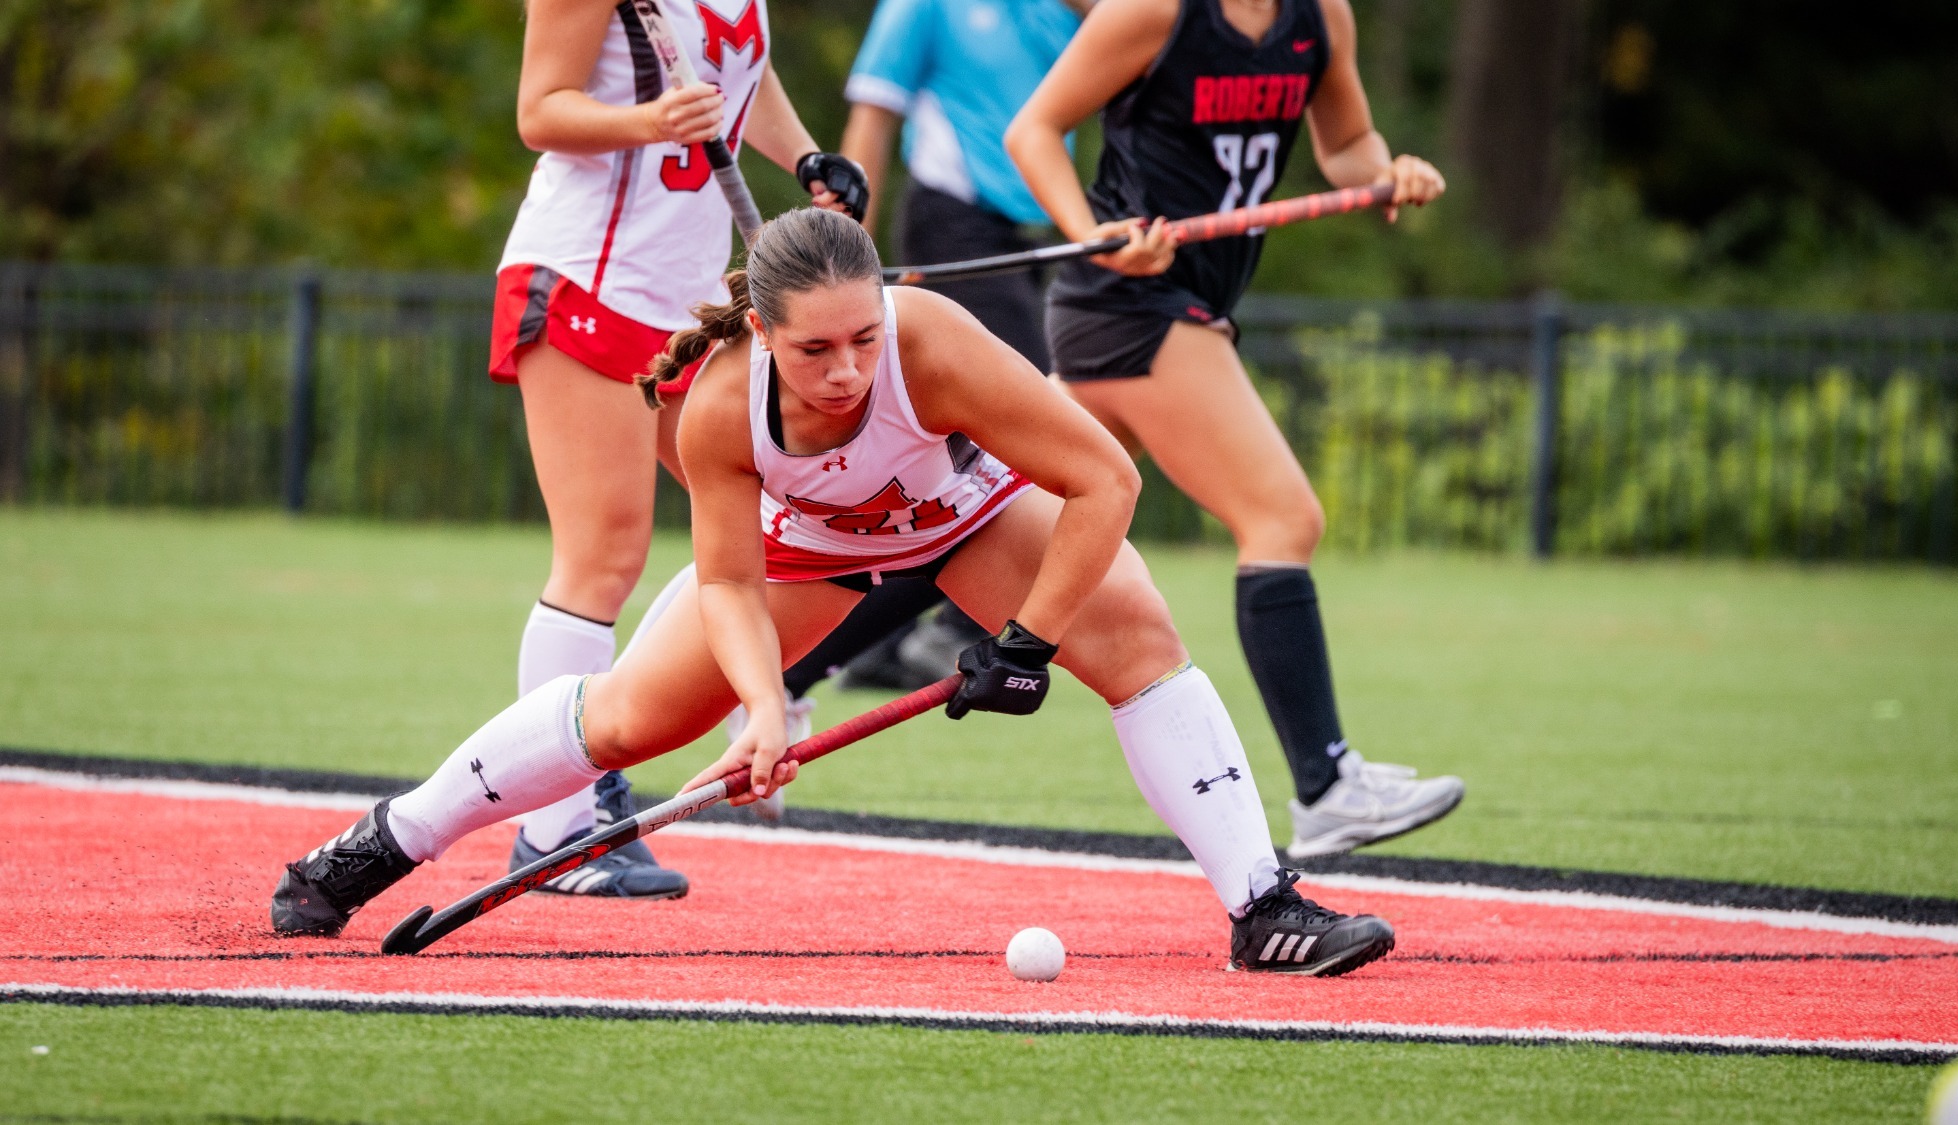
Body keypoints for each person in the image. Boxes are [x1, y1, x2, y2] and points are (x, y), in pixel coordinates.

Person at [272, 208, 1397, 977]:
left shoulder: (935, 348)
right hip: (811, 545)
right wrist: (764, 710)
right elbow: (725, 579)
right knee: (624, 719)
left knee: (1141, 645)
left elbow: (1107, 479)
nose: (848, 370)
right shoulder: (714, 410)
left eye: (864, 337)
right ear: (760, 332)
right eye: (815, 350)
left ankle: (1263, 907)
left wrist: (1028, 641)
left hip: (971, 514)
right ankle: (383, 842)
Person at [1005, 0, 1464, 858]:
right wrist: (1093, 237)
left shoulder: (1321, 17)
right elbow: (1033, 130)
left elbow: (1345, 147)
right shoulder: (1154, 13)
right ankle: (1327, 785)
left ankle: (793, 677)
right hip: (1133, 302)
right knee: (1283, 518)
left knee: (996, 521)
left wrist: (1388, 172)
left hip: (1166, 308)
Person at [483, 0, 871, 897]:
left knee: (771, 520)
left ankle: (599, 755)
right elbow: (541, 109)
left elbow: (742, 71)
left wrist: (806, 156)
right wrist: (646, 122)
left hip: (686, 305)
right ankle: (556, 831)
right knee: (603, 555)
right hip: (589, 275)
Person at [774, 0, 1091, 693]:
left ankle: (848, 652)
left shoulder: (1058, 12)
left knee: (957, 465)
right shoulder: (925, 6)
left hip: (1031, 241)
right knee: (1018, 435)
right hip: (955, 224)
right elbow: (872, 120)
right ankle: (945, 629)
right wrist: (846, 258)